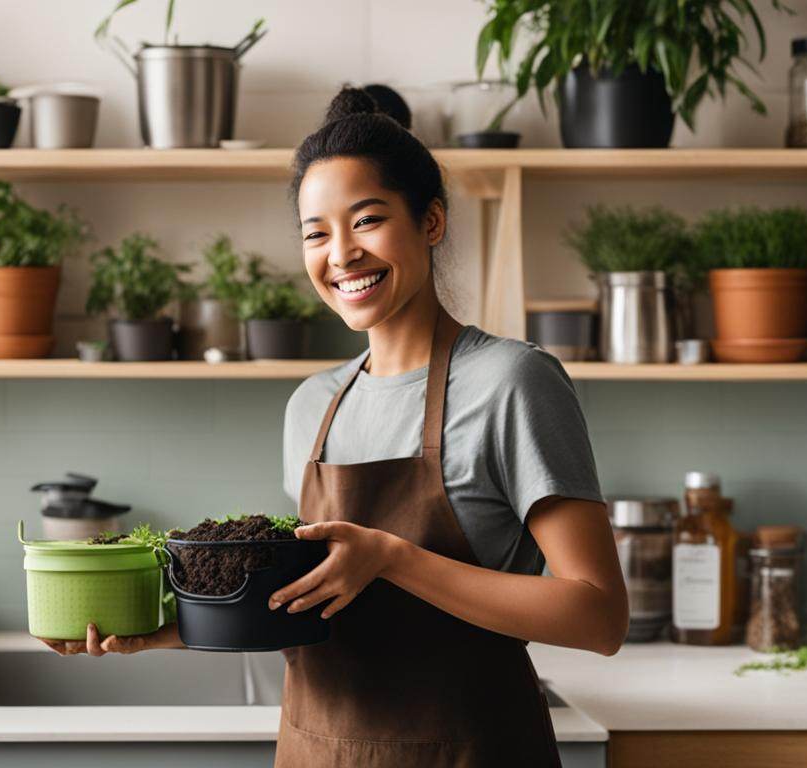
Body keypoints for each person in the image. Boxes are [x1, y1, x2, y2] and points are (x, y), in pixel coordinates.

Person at [42, 88, 628, 768]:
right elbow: (307, 608)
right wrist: (161, 632)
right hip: (318, 752)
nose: (341, 254)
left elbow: (599, 617)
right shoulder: (312, 406)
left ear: (431, 221)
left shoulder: (512, 382)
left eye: (367, 221)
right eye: (316, 233)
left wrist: (393, 556)